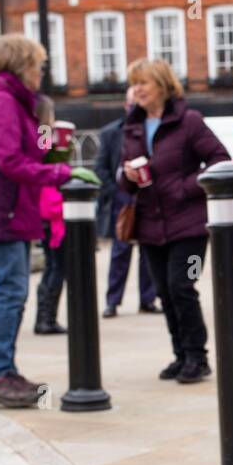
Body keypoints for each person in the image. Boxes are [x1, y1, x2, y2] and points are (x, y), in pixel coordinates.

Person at [0, 34, 73, 406]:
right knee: (10, 291)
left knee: (13, 290)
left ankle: (3, 370)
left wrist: (53, 143)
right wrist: (60, 173)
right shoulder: (0, 101)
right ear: (22, 64)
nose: (41, 73)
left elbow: (28, 151)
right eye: (38, 66)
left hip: (11, 207)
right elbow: (9, 161)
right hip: (5, 208)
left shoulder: (12, 101)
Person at [119, 58, 229, 383]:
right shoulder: (132, 126)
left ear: (163, 86)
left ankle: (198, 356)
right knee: (165, 291)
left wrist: (185, 187)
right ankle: (181, 355)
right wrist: (126, 176)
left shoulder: (190, 122)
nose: (137, 89)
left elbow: (221, 160)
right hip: (151, 226)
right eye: (134, 83)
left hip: (191, 227)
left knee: (183, 286)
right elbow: (124, 180)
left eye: (144, 82)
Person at [96, 86, 159, 317]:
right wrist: (115, 191)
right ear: (126, 105)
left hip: (148, 196)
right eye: (132, 103)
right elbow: (101, 168)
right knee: (120, 251)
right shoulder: (111, 133)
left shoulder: (153, 131)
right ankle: (112, 301)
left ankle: (148, 300)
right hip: (121, 198)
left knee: (148, 252)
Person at [33, 96, 66, 336]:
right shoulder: (44, 130)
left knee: (52, 263)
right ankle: (46, 318)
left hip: (43, 206)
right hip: (49, 206)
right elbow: (42, 157)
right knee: (56, 264)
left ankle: (45, 317)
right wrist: (60, 146)